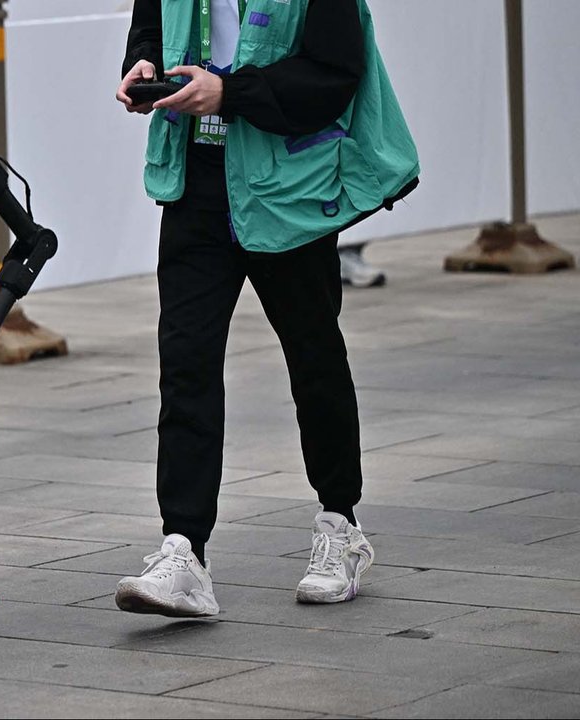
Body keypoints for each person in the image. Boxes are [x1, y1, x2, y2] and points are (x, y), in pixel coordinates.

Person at [112, 0, 418, 616]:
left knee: (314, 358)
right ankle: (184, 550)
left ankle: (341, 525)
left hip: (289, 189)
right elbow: (150, 24)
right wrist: (143, 67)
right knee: (186, 363)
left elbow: (333, 77)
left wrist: (227, 91)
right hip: (194, 178)